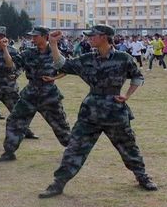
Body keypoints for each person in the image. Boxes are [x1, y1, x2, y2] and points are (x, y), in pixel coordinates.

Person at [38, 24, 157, 199]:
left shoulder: (123, 58)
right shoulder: (87, 59)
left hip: (115, 112)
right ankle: (58, 184)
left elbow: (138, 76)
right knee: (75, 148)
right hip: (90, 112)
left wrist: (127, 95)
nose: (89, 38)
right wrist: (53, 44)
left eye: (93, 35)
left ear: (104, 37)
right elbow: (61, 64)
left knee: (128, 147)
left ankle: (142, 177)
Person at [0, 26, 71, 162]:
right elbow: (11, 65)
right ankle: (9, 152)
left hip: (49, 95)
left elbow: (66, 68)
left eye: (35, 36)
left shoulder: (54, 51)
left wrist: (54, 78)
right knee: (14, 120)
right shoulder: (28, 53)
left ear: (44, 36)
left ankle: (74, 151)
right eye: (32, 36)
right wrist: (5, 48)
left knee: (60, 126)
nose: (32, 38)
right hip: (30, 94)